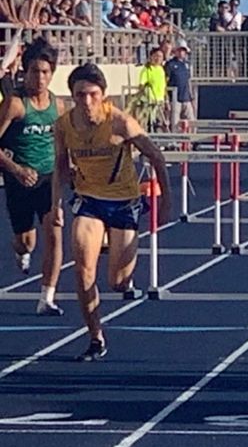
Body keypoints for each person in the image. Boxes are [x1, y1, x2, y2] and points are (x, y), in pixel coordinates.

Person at [52, 63, 170, 361]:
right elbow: (61, 165)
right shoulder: (64, 125)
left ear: (103, 96)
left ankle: (112, 247)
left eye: (92, 94)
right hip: (89, 200)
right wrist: (55, 204)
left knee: (117, 282)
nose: (86, 102)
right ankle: (96, 337)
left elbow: (156, 157)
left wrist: (166, 203)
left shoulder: (120, 122)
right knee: (83, 270)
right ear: (73, 96)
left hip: (124, 202)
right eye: (80, 95)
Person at [0, 37, 64, 315]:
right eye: (35, 71)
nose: (40, 78)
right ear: (25, 71)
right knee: (27, 241)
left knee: (55, 234)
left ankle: (46, 297)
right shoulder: (15, 104)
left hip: (48, 179)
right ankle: (21, 250)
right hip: (19, 180)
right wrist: (15, 169)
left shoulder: (58, 106)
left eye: (46, 72)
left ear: (52, 74)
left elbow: (64, 144)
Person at [164, 41, 196, 130]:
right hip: (174, 99)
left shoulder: (186, 65)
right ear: (176, 51)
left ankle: (191, 141)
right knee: (175, 123)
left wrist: (191, 96)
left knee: (191, 121)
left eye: (184, 51)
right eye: (180, 50)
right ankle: (175, 140)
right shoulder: (170, 64)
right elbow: (165, 82)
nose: (182, 53)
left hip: (186, 98)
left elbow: (188, 81)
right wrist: (166, 99)